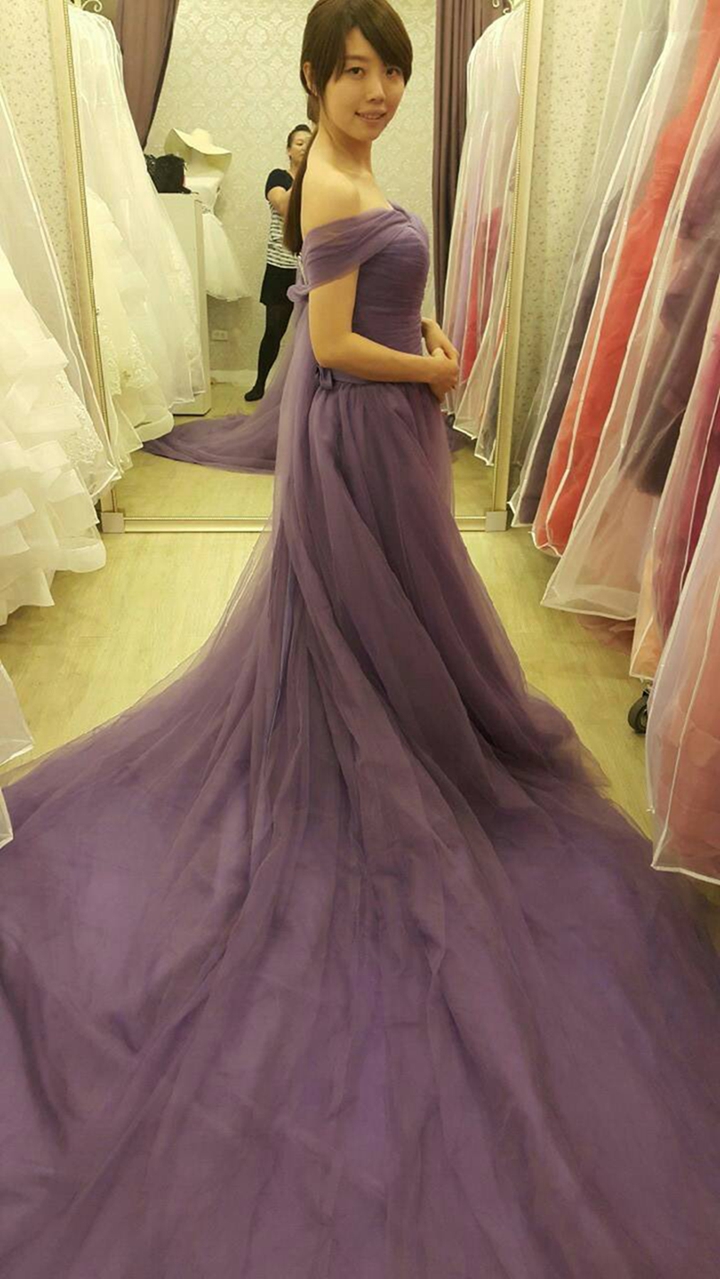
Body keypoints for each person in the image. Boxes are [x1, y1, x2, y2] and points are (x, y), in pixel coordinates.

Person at [2, 1, 720, 1275]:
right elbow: (331, 346)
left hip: (379, 431)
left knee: (390, 615)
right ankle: (371, 765)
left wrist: (425, 336)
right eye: (354, 73)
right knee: (367, 620)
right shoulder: (333, 185)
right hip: (362, 435)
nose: (380, 90)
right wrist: (433, 374)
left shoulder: (351, 166)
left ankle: (388, 737)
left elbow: (372, 315)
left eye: (391, 70)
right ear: (314, 79)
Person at [244, 123, 313, 402]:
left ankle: (306, 391)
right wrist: (306, 177)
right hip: (281, 267)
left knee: (312, 335)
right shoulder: (278, 177)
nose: (305, 148)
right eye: (299, 143)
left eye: (310, 143)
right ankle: (260, 383)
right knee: (274, 330)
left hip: (313, 268)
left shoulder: (321, 180)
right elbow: (283, 206)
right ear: (288, 150)